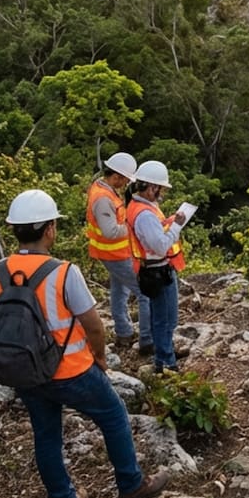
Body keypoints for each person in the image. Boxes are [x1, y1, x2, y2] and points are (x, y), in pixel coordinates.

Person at [0, 190, 169, 498]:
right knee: (113, 416)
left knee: (45, 434)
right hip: (71, 371)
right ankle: (131, 486)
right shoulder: (63, 272)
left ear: (15, 229)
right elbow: (94, 325)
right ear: (49, 229)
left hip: (25, 371)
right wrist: (99, 359)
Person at [86, 152, 151, 355]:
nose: (125, 184)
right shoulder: (103, 199)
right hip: (115, 254)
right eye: (125, 180)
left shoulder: (103, 189)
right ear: (117, 177)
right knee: (145, 293)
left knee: (119, 291)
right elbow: (111, 231)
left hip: (112, 253)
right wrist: (133, 226)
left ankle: (124, 333)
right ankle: (147, 339)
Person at [127, 160, 187, 373]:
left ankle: (165, 353)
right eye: (159, 187)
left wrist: (168, 224)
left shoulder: (141, 208)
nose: (161, 192)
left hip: (154, 269)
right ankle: (165, 363)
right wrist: (176, 226)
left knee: (163, 316)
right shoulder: (144, 214)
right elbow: (160, 246)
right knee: (165, 319)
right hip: (157, 270)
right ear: (151, 187)